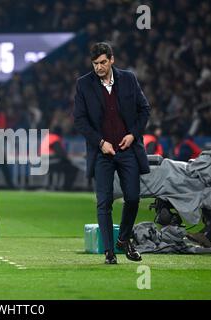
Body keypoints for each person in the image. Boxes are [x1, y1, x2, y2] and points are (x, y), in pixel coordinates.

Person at [73, 42, 151, 264]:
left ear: (112, 60)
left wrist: (133, 135)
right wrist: (100, 142)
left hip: (127, 149)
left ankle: (124, 239)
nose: (99, 67)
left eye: (103, 62)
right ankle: (109, 252)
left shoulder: (128, 79)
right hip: (102, 152)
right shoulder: (84, 84)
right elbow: (79, 120)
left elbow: (144, 109)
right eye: (95, 63)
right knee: (104, 201)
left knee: (133, 198)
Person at [40, 126, 78, 190]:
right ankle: (66, 188)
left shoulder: (48, 137)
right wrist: (68, 159)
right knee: (72, 168)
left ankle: (55, 185)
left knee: (67, 165)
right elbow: (61, 154)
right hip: (51, 163)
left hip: (44, 163)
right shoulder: (55, 139)